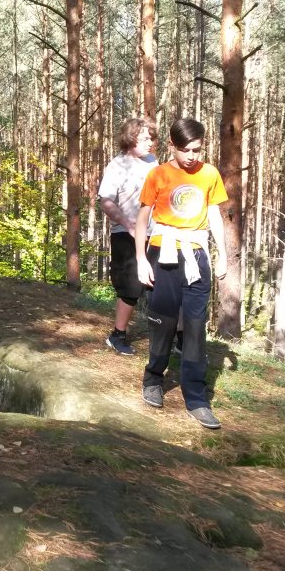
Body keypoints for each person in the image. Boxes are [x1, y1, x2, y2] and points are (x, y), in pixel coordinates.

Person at [135, 117, 228, 429]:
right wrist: (141, 259)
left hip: (196, 254)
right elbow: (142, 218)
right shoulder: (158, 174)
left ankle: (197, 398)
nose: (191, 156)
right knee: (163, 321)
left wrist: (222, 255)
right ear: (172, 146)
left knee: (195, 325)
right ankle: (153, 379)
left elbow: (214, 215)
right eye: (185, 150)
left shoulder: (209, 174)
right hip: (163, 252)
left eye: (197, 150)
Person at [97, 118, 158, 355]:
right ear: (130, 139)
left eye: (151, 138)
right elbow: (105, 201)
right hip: (126, 233)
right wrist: (127, 224)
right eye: (145, 138)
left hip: (156, 233)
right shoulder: (117, 165)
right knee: (131, 287)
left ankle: (175, 338)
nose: (150, 142)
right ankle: (117, 335)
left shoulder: (153, 162)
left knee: (162, 284)